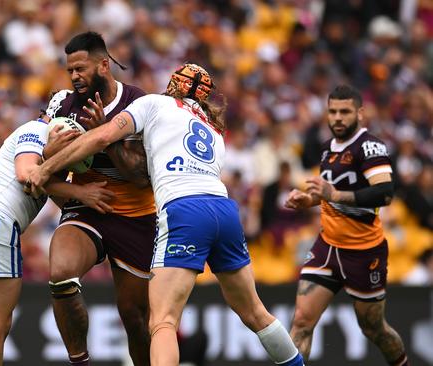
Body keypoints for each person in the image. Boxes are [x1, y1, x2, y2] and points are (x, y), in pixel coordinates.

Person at [26, 63, 305, 366]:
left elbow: (100, 138)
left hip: (184, 209)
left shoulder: (153, 103)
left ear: (173, 84)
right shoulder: (214, 130)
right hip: (224, 211)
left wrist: (46, 169)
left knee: (162, 322)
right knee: (255, 312)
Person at [0, 117, 115, 366]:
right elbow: (27, 175)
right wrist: (81, 191)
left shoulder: (49, 155)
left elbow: (54, 194)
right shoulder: (37, 129)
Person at [41, 31, 154, 365]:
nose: (74, 77)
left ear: (104, 65)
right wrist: (54, 154)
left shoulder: (138, 102)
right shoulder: (63, 105)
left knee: (134, 318)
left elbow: (141, 174)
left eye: (81, 69)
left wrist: (105, 135)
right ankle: (81, 361)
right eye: (70, 71)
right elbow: (43, 168)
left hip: (136, 215)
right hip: (86, 207)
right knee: (61, 273)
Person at [284, 85, 409, 365]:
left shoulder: (369, 146)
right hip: (327, 246)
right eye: (332, 111)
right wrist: (308, 200)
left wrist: (332, 194)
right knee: (302, 321)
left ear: (360, 114)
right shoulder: (328, 148)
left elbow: (385, 192)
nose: (337, 117)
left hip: (364, 252)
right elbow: (329, 194)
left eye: (344, 111)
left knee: (374, 329)